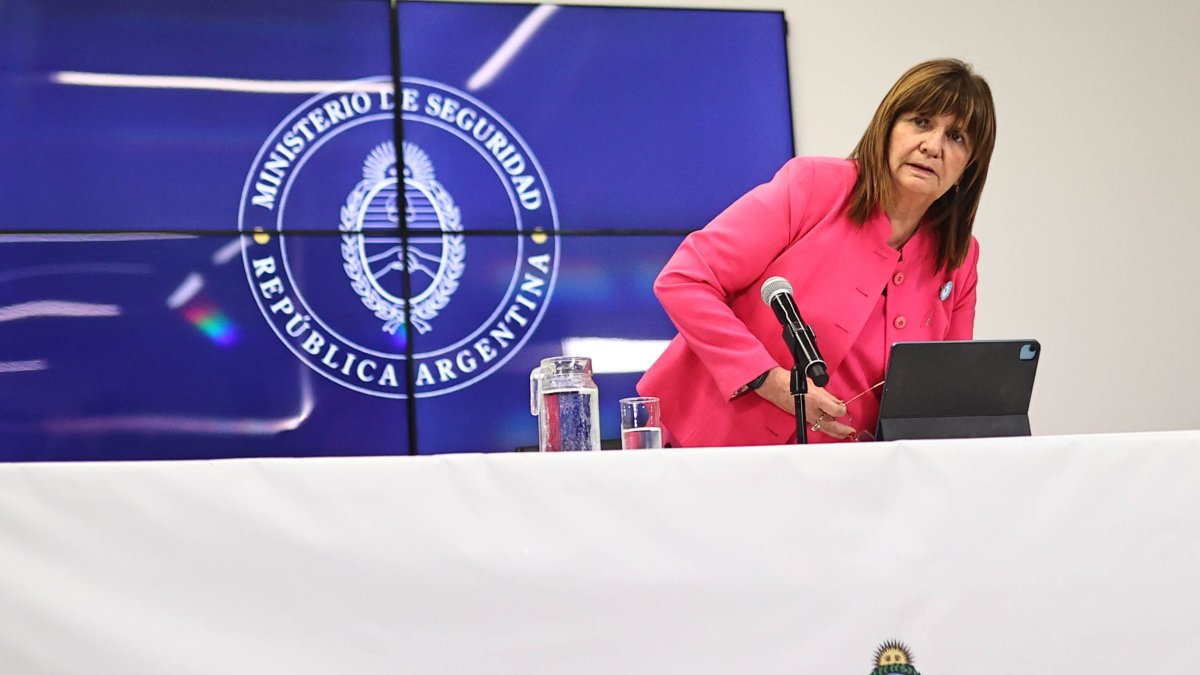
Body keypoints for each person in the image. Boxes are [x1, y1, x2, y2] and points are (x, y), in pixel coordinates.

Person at [637, 58, 997, 447]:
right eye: (921, 122)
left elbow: (944, 395)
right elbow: (685, 279)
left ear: (969, 167)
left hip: (847, 472)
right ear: (887, 127)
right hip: (715, 449)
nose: (932, 146)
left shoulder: (960, 258)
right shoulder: (814, 186)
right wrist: (766, 378)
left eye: (956, 137)